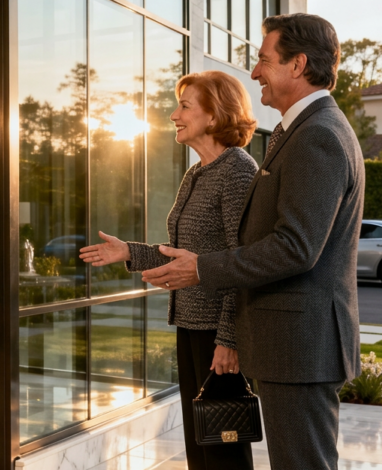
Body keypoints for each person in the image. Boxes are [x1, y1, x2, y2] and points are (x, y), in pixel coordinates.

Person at [142, 14, 364, 470]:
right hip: (293, 346)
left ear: (297, 65)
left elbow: (295, 247)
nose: (255, 71)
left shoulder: (318, 134)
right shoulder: (302, 130)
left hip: (301, 348)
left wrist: (201, 268)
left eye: (264, 60)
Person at [80, 71, 258, 470]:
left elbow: (243, 261)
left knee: (224, 450)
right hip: (190, 326)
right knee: (201, 445)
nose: (174, 115)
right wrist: (129, 252)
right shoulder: (196, 173)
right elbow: (181, 257)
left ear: (214, 115)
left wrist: (229, 339)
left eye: (184, 106)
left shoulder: (237, 171)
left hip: (218, 333)